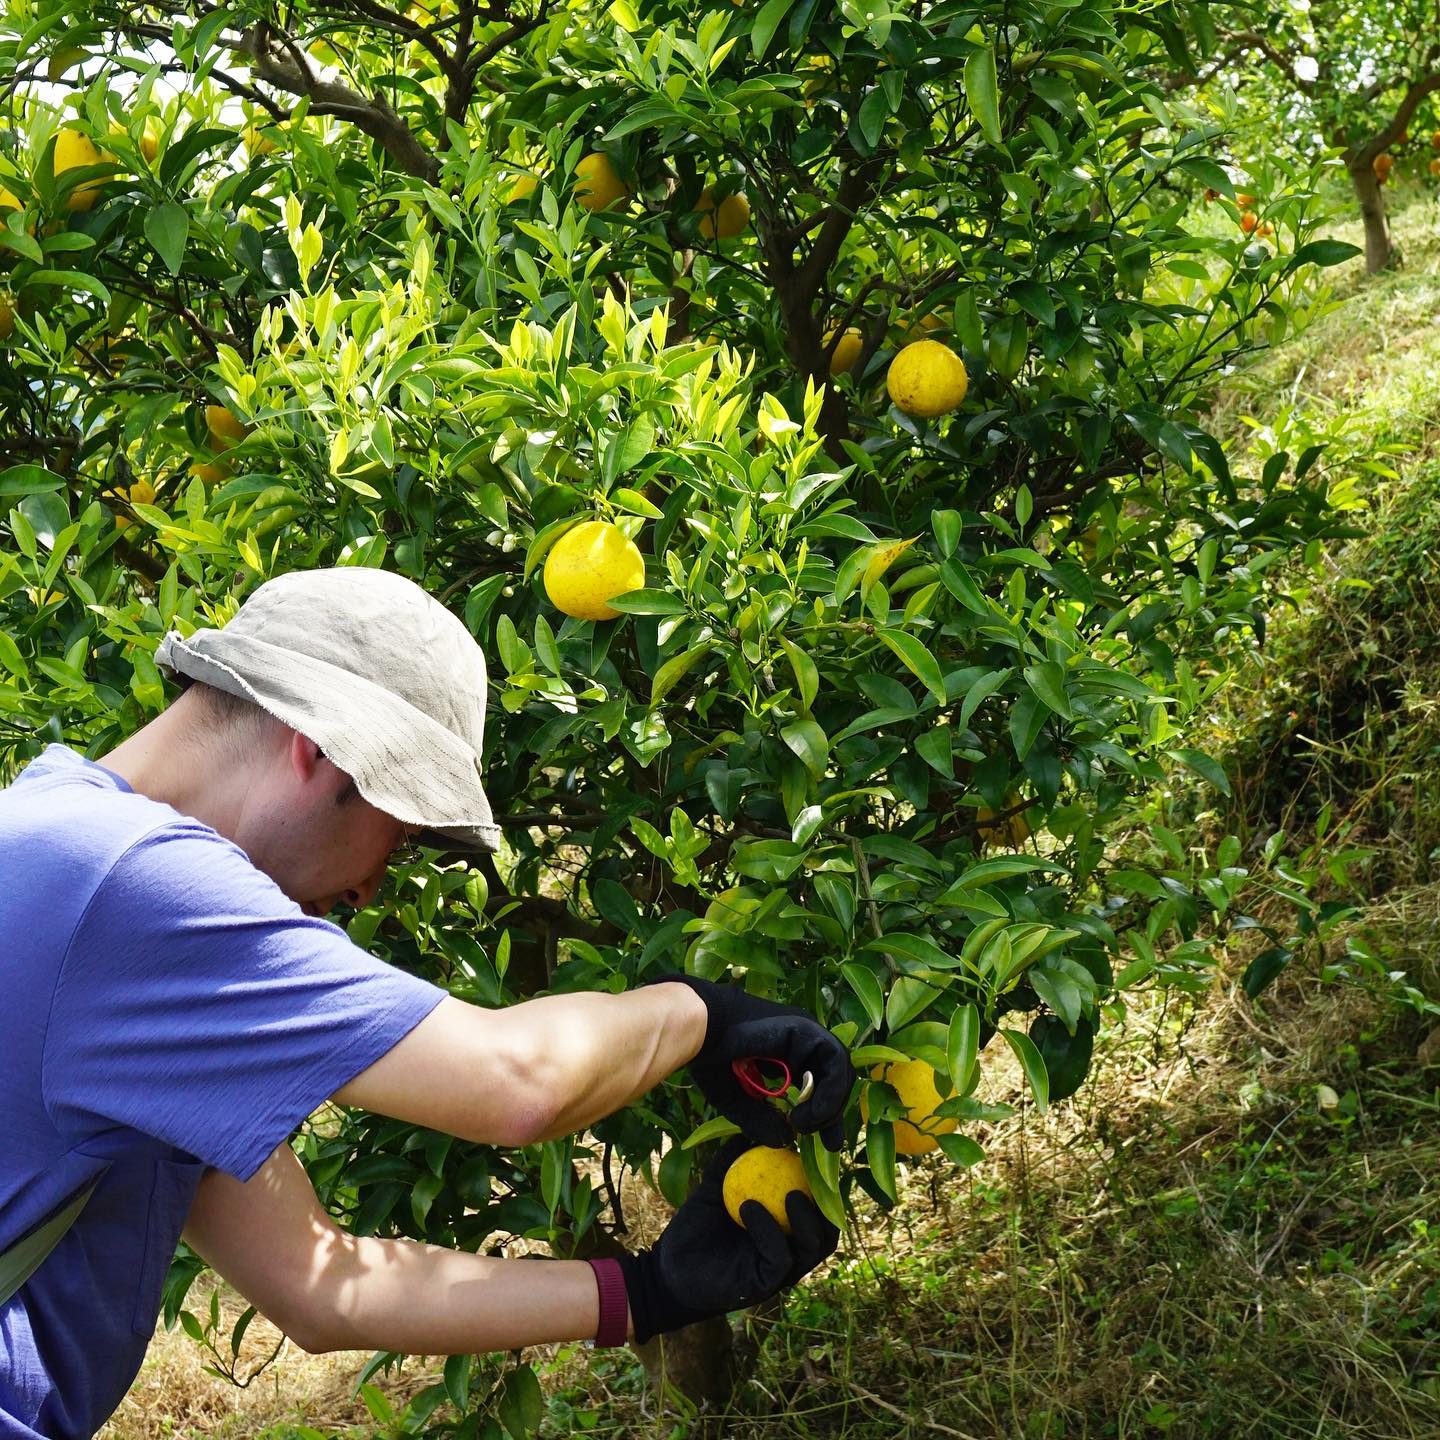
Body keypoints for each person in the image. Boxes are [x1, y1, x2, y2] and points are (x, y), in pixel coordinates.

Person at [0, 567, 854, 1440]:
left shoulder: (67, 856)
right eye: (400, 829)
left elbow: (322, 1285)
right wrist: (701, 1014)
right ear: (322, 747)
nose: (373, 887)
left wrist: (648, 1292)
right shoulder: (131, 882)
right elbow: (516, 1082)